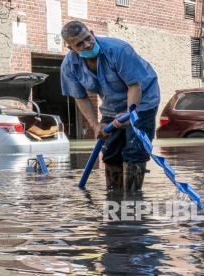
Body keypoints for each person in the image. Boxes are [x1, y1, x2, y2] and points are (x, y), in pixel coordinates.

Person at [60, 21, 160, 193]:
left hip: (142, 100)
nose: (87, 44)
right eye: (80, 44)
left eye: (88, 38)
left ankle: (133, 197)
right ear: (70, 48)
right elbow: (81, 97)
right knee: (111, 152)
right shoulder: (69, 66)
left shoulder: (118, 50)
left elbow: (134, 86)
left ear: (91, 32)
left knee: (134, 151)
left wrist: (130, 114)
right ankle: (114, 197)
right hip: (111, 106)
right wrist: (95, 126)